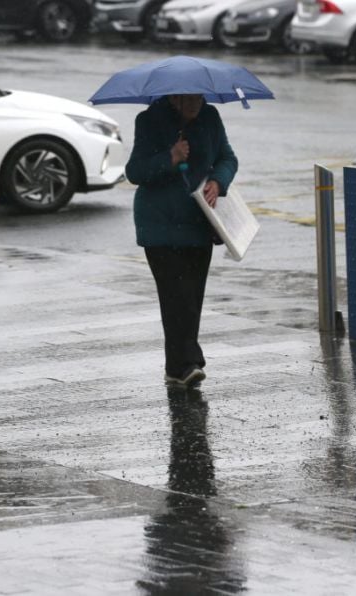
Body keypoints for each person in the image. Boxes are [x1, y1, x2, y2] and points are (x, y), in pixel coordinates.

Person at [125, 94, 237, 386]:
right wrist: (170, 158)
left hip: (199, 221)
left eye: (198, 96)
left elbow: (227, 157)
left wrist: (218, 182)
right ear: (173, 97)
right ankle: (187, 363)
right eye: (187, 98)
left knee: (192, 296)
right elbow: (134, 172)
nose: (194, 103)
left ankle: (176, 368)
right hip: (159, 225)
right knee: (175, 295)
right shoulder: (149, 120)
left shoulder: (210, 117)